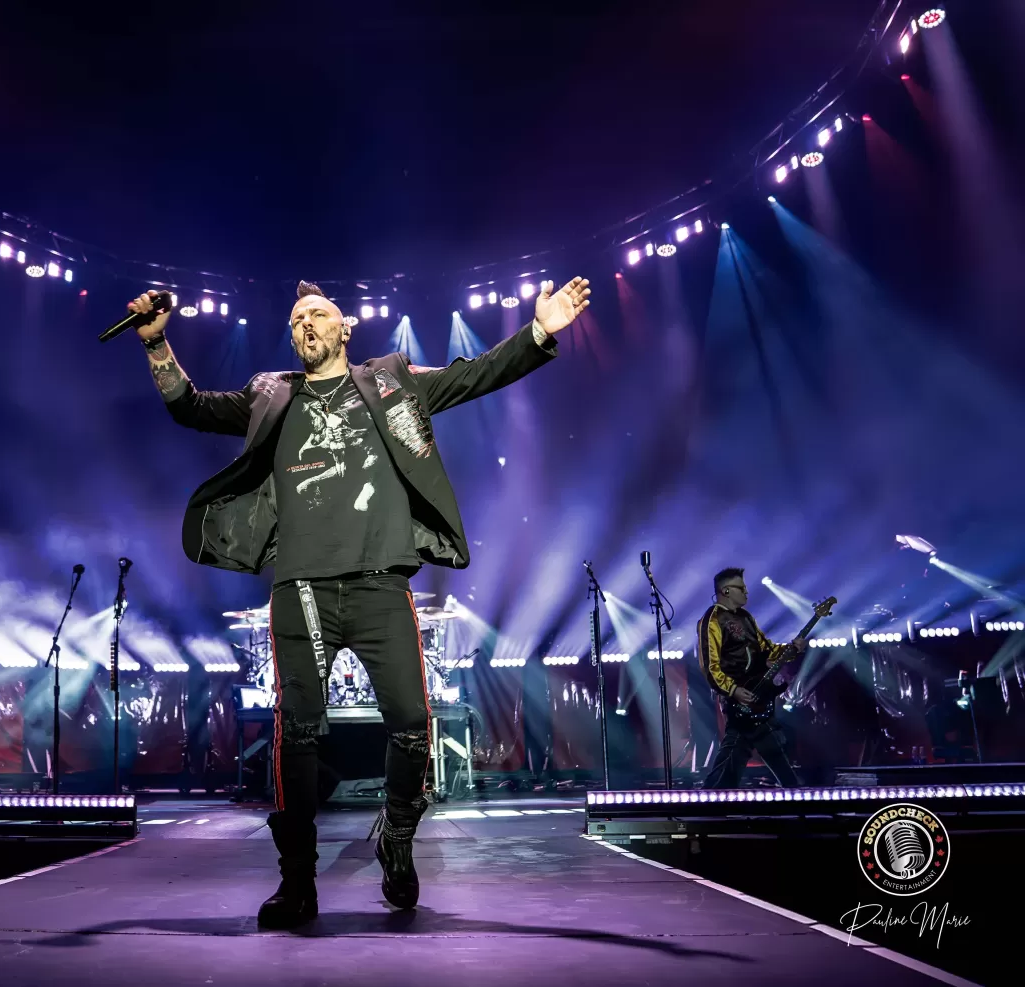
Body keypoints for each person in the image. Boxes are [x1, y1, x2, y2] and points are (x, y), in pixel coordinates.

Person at [128, 276, 590, 927]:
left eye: (318, 314)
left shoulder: (392, 380)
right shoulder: (271, 394)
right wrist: (156, 345)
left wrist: (539, 331)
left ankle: (396, 834)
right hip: (302, 587)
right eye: (297, 320)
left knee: (412, 723)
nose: (306, 324)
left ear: (345, 328)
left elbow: (474, 375)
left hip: (380, 583)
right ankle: (297, 880)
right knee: (298, 731)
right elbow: (192, 407)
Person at [698, 567, 804, 789]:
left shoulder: (746, 617)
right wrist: (733, 690)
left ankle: (711, 798)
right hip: (739, 700)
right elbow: (710, 666)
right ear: (726, 591)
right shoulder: (712, 620)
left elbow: (767, 650)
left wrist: (791, 649)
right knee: (738, 755)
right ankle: (708, 800)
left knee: (756, 753)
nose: (746, 592)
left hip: (758, 697)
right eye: (741, 588)